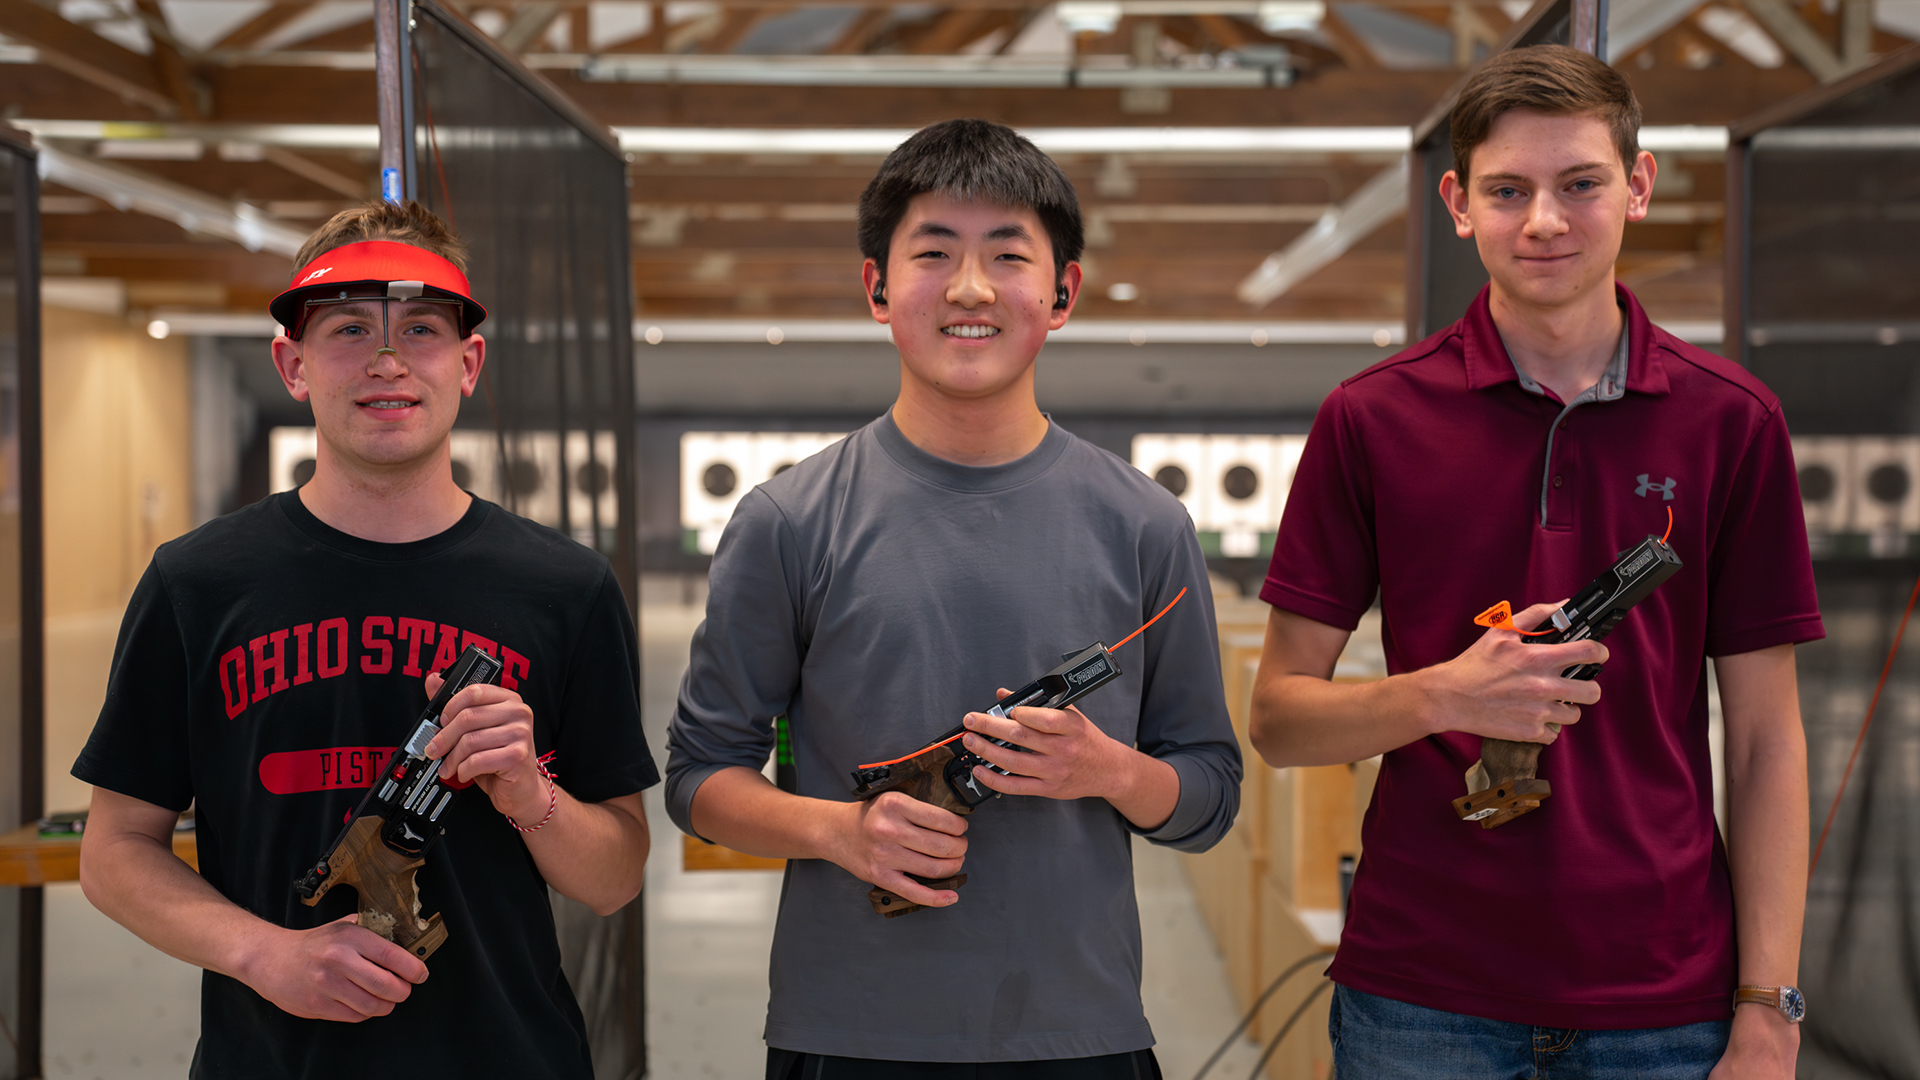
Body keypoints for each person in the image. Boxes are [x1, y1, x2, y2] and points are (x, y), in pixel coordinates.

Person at [1249, 45, 1820, 1080]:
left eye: (1580, 184)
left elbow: (1769, 743)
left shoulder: (1733, 423)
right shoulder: (1369, 418)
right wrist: (1448, 696)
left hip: (1669, 1001)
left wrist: (1769, 1006)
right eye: (1508, 191)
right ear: (1459, 204)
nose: (1544, 221)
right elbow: (1280, 719)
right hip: (1420, 994)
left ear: (1637, 188)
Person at [665, 118, 1243, 1078]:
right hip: (846, 1033)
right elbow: (698, 778)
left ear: (1063, 294)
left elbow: (1209, 798)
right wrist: (839, 830)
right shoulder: (788, 522)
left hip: (1082, 1033)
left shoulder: (1147, 527)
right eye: (933, 252)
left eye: (1008, 255)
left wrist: (1105, 770)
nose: (971, 289)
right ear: (876, 287)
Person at [73, 201, 656, 1079]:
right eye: (349, 328)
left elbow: (614, 876)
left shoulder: (565, 588)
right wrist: (264, 953)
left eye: (420, 328)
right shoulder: (197, 583)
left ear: (468, 363)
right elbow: (114, 854)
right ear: (292, 364)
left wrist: (524, 789)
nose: (387, 361)